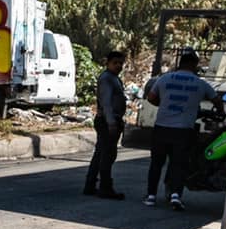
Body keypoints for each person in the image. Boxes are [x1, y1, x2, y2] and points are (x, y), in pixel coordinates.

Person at [143, 50, 210, 210]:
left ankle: (151, 196)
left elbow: (151, 97)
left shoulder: (164, 78)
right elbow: (216, 100)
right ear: (193, 65)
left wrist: (165, 105)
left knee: (156, 163)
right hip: (184, 130)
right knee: (178, 164)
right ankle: (175, 196)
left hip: (162, 127)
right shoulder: (200, 83)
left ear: (180, 63)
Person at [83, 49, 128, 199]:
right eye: (115, 63)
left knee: (101, 153)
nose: (118, 66)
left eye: (121, 63)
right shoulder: (107, 78)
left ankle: (90, 185)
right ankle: (105, 187)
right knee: (107, 155)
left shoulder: (114, 78)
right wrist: (111, 122)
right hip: (108, 120)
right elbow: (106, 102)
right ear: (107, 63)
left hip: (109, 119)